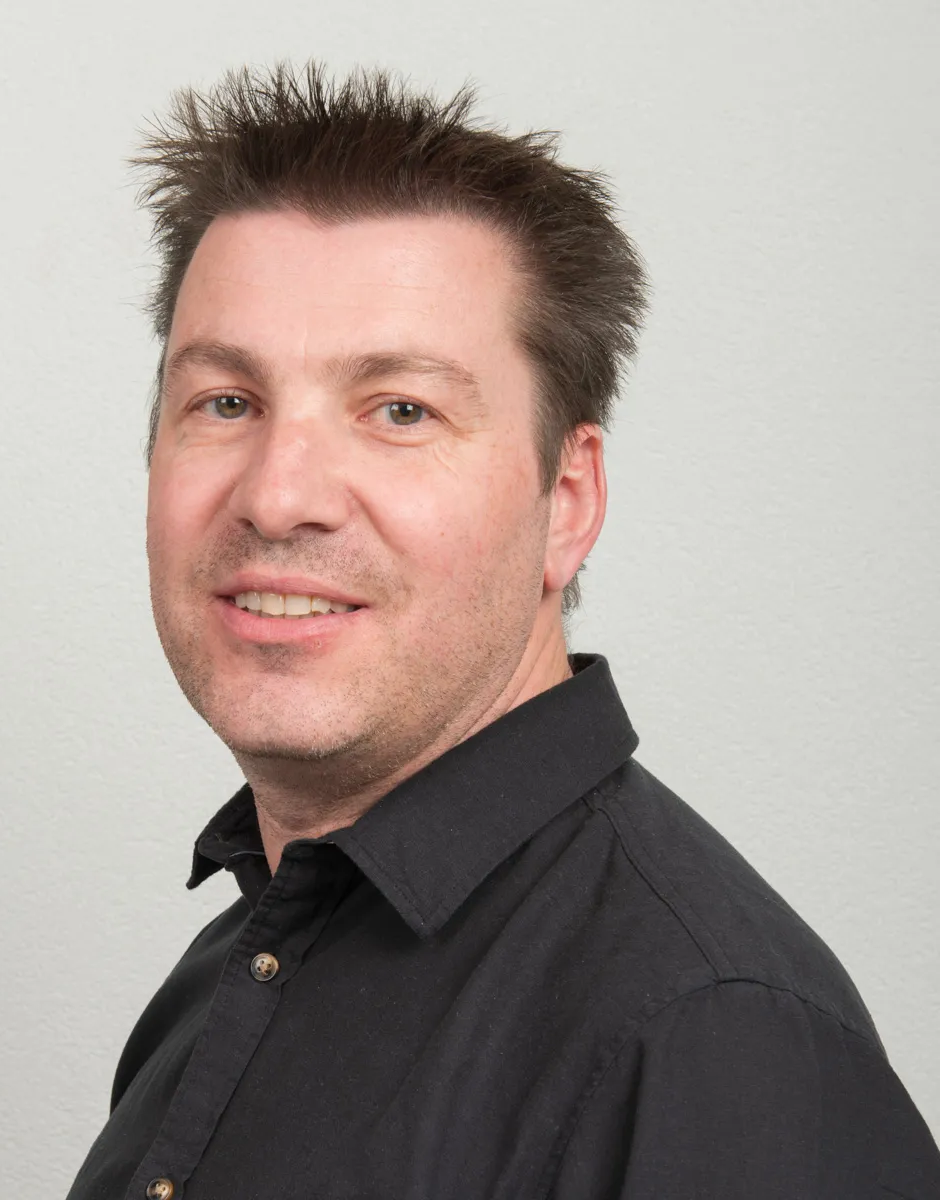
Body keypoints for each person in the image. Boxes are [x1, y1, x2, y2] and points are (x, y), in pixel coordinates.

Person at [65, 62, 940, 1200]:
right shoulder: (236, 974)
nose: (278, 497)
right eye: (226, 401)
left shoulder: (710, 1043)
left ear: (565, 502)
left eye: (400, 411)